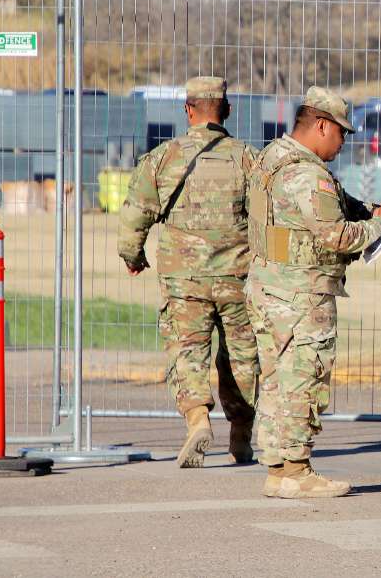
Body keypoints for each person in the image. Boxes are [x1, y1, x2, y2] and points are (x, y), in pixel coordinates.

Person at [248, 86, 381, 498]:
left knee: (276, 380)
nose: (344, 141)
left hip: (268, 287)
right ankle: (297, 471)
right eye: (341, 132)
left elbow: (329, 207)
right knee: (304, 377)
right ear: (320, 125)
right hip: (301, 294)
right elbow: (337, 235)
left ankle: (278, 469)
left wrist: (369, 209)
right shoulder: (307, 174)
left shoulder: (272, 158)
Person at [117, 76, 259, 468]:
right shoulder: (248, 158)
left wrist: (133, 255)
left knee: (188, 351)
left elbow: (135, 214)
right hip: (238, 279)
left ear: (188, 110)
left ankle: (197, 420)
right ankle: (241, 437)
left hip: (185, 281)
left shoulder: (164, 157)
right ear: (227, 110)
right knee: (242, 357)